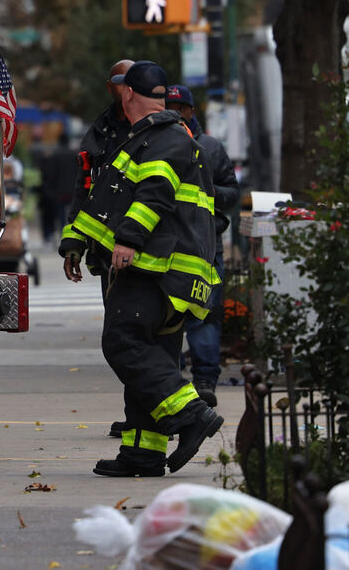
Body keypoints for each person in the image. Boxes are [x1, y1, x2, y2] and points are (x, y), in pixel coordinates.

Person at [59, 61, 223, 478]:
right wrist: (76, 240)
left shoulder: (163, 139)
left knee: (123, 341)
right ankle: (143, 453)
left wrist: (129, 240)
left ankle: (190, 414)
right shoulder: (151, 137)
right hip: (169, 271)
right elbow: (104, 200)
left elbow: (154, 194)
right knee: (151, 358)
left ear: (127, 94)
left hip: (158, 269)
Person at [61, 59, 134, 438]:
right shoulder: (102, 132)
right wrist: (74, 241)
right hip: (111, 255)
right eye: (120, 82)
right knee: (120, 338)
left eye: (131, 81)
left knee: (146, 340)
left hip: (154, 255)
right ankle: (140, 413)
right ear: (111, 86)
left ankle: (169, 410)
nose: (126, 89)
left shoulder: (163, 130)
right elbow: (84, 190)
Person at [166, 85, 239, 408]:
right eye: (168, 105)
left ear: (191, 112)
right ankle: (170, 381)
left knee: (204, 314)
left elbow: (231, 194)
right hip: (167, 246)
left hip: (205, 245)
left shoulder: (210, 148)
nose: (173, 111)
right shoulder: (154, 145)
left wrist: (208, 194)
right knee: (165, 315)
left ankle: (205, 380)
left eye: (179, 107)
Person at [38, 131, 78, 244]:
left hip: (59, 191)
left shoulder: (55, 155)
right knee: (72, 214)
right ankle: (73, 236)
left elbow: (51, 174)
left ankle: (63, 235)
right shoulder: (74, 154)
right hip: (73, 190)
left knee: (60, 215)